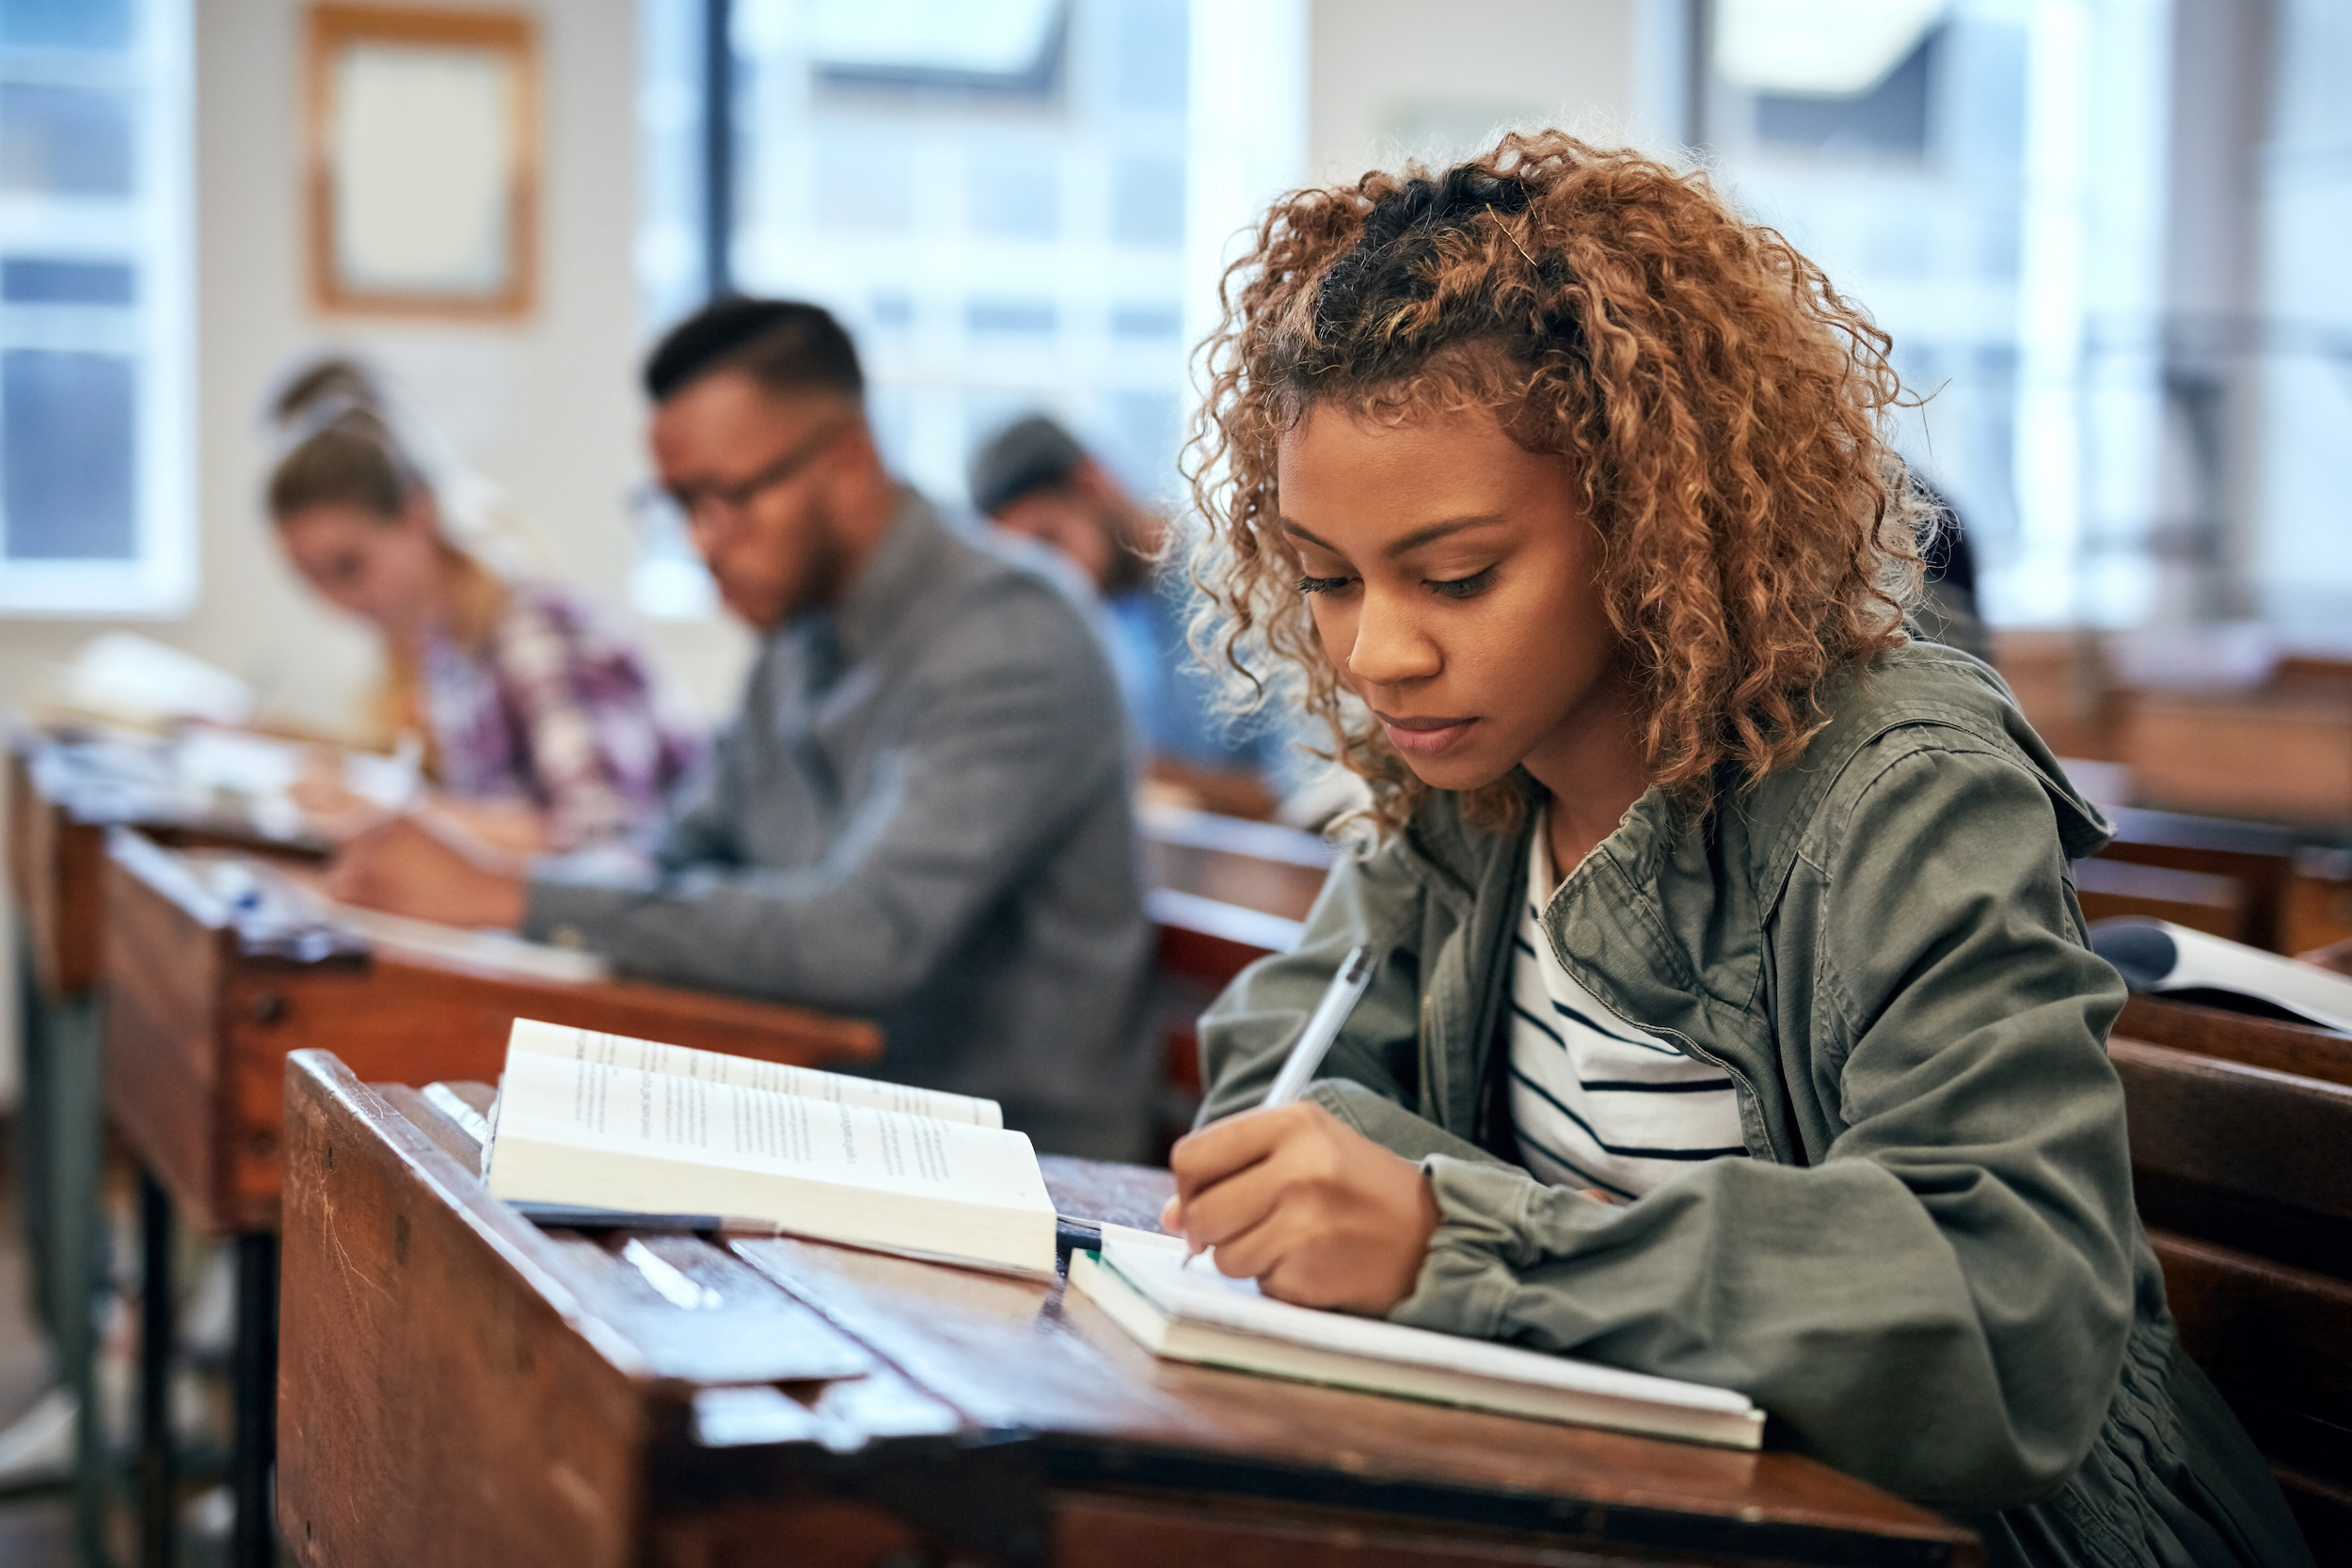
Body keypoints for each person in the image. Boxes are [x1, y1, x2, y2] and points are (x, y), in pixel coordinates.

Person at [1159, 135, 2309, 1567]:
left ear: (1651, 518)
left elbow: (2003, 1315)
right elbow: (1283, 1083)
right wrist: (1472, 1220)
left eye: (1456, 576)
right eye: (1327, 578)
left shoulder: (1904, 789)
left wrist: (1464, 1233)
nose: (1378, 653)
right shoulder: (1470, 766)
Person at [329, 300, 1156, 1160]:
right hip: (830, 1112)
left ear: (846, 461)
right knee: (456, 1140)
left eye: (726, 499)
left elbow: (859, 941)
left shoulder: (1014, 634)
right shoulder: (800, 633)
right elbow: (685, 845)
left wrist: (503, 893)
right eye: (680, 505)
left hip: (1015, 1165)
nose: (703, 542)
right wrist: (526, 894)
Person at [266, 359, 703, 853]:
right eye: (310, 579)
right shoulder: (442, 647)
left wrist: (392, 813)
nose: (334, 602)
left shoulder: (537, 628)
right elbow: (481, 808)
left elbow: (604, 841)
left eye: (348, 567)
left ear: (418, 516)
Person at [969, 415, 1294, 819]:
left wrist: (1128, 770)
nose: (1054, 580)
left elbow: (1306, 796)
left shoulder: (1249, 582)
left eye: (1049, 542)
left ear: (1093, 484)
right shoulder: (1097, 623)